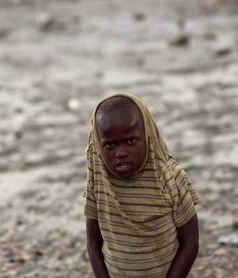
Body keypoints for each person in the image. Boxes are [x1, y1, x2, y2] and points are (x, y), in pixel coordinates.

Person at [84, 94, 199, 278]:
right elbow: (93, 243)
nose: (121, 152)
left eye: (130, 141)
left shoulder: (168, 177)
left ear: (147, 137)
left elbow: (190, 242)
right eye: (110, 144)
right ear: (98, 145)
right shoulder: (99, 181)